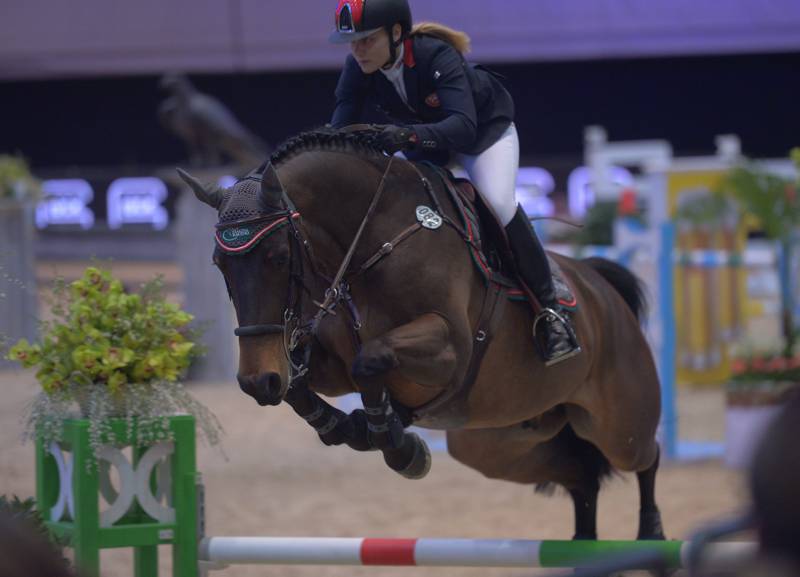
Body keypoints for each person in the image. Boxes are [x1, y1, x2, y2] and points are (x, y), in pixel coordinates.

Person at [328, 0, 580, 366]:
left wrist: (404, 136)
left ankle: (551, 312)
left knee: (497, 202)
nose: (357, 50)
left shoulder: (435, 55)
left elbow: (462, 127)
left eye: (366, 40)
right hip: (427, 144)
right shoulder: (358, 67)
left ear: (396, 33)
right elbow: (339, 129)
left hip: (483, 134)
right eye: (352, 42)